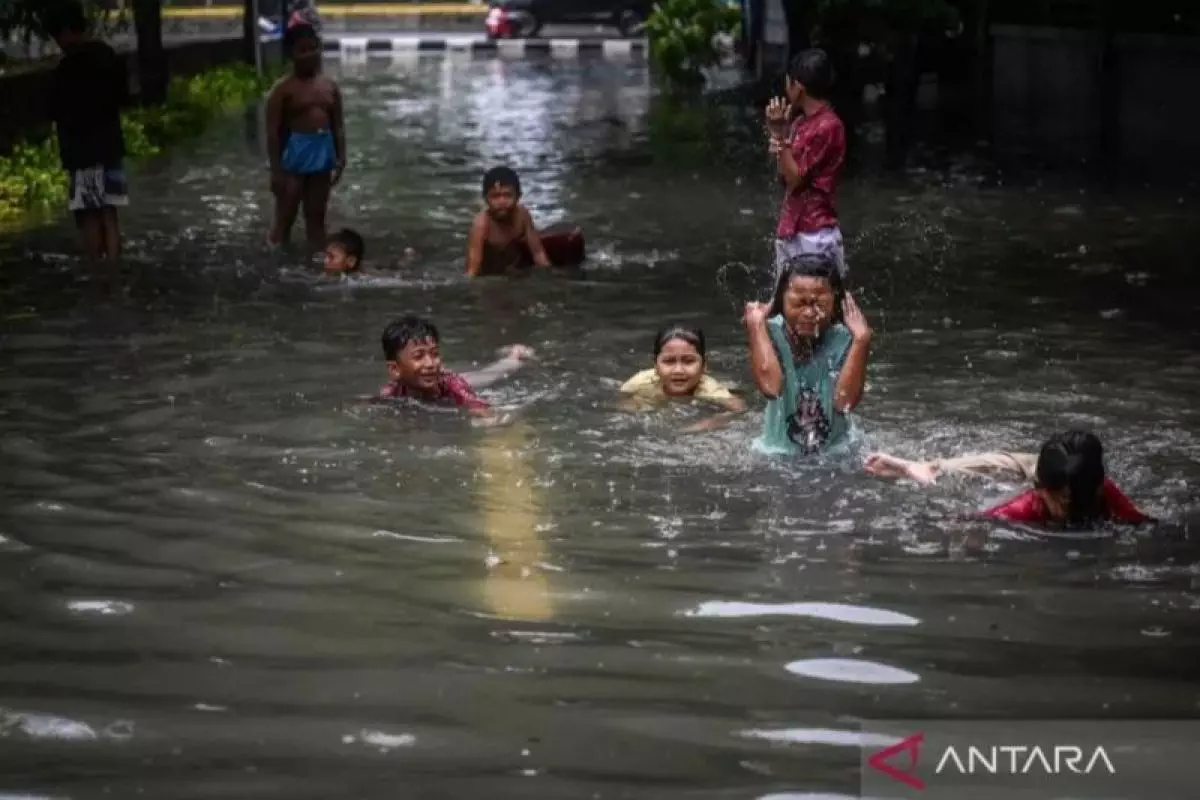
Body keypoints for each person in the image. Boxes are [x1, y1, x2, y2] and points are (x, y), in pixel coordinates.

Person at [864, 430, 1153, 527]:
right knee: (999, 465)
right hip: (1041, 465)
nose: (1063, 508)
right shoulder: (1029, 503)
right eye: (1059, 500)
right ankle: (924, 468)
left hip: (1069, 467)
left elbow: (1141, 519)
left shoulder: (1102, 489)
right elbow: (976, 519)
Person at [744, 254, 871, 455]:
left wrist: (862, 341)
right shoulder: (769, 332)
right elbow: (771, 388)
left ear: (835, 302)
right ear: (781, 301)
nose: (810, 313)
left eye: (819, 304)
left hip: (836, 455)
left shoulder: (847, 338)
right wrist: (755, 325)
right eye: (799, 304)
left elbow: (844, 403)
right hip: (776, 454)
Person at [46, 2, 130, 261]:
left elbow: (56, 110)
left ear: (67, 32)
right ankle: (113, 267)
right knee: (109, 213)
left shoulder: (67, 67)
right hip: (110, 149)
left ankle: (97, 273)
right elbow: (122, 96)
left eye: (58, 35)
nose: (59, 42)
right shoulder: (107, 56)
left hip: (84, 154)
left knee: (90, 216)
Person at [764, 49, 847, 278]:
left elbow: (795, 178)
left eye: (788, 82)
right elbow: (784, 178)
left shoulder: (828, 126)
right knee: (783, 309)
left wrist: (780, 138)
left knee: (818, 309)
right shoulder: (800, 122)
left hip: (815, 235)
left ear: (798, 86)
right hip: (792, 229)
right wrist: (780, 139)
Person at [266, 23, 345, 248]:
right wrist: (276, 171)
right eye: (302, 50)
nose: (310, 55)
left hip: (322, 154)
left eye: (314, 48)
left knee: (316, 215)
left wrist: (341, 158)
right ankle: (276, 255)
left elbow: (338, 126)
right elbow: (272, 133)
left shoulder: (330, 87)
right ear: (291, 54)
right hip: (295, 156)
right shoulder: (282, 91)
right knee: (286, 214)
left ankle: (316, 259)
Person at [377, 316, 533, 417]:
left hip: (456, 381)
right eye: (419, 356)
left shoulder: (454, 386)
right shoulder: (391, 392)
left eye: (435, 354)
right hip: (447, 378)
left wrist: (485, 417)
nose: (431, 364)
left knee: (495, 373)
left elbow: (481, 407)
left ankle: (514, 356)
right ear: (395, 370)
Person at [620, 326, 746, 432]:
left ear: (704, 366)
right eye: (669, 361)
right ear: (655, 366)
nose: (678, 370)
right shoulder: (640, 383)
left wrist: (710, 422)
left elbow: (740, 409)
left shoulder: (710, 389)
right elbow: (622, 401)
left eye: (689, 361)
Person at [465, 166, 584, 277]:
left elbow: (537, 252)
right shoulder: (482, 225)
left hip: (516, 269)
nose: (501, 201)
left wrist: (549, 274)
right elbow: (473, 268)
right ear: (485, 199)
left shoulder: (522, 215)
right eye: (495, 196)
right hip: (492, 274)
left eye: (507, 195)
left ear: (518, 196)